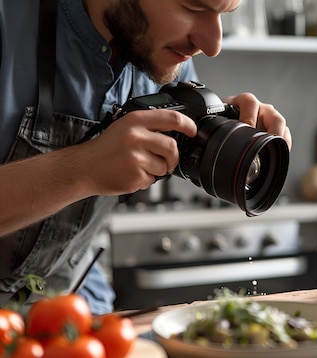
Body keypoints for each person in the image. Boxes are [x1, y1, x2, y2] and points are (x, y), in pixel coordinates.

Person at [0, 0, 292, 314]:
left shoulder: (160, 54)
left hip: (71, 314)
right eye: (193, 7)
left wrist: (220, 128)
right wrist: (83, 168)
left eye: (224, 14)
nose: (212, 45)